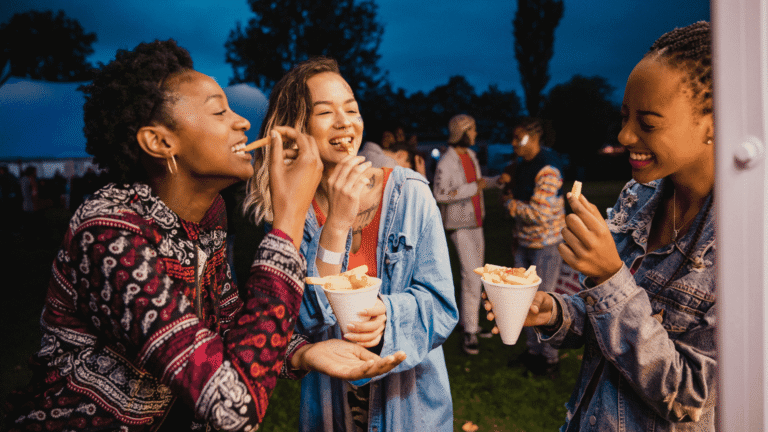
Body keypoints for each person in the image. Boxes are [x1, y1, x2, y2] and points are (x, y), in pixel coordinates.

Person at [5, 40, 404, 432]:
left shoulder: (209, 216)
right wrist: (288, 223)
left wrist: (304, 353)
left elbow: (228, 326)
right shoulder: (109, 234)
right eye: (219, 112)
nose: (243, 122)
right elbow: (233, 405)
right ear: (160, 142)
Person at [493, 21, 716, 430]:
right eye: (625, 116)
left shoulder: (746, 240)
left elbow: (691, 396)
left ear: (714, 123)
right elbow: (609, 320)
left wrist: (609, 274)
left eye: (647, 122)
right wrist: (555, 312)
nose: (625, 134)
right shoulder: (640, 196)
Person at [245, 57, 458, 432]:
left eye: (352, 109)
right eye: (325, 112)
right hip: (330, 409)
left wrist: (389, 316)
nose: (345, 122)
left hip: (409, 408)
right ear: (297, 128)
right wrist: (338, 223)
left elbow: (441, 305)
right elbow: (305, 321)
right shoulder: (292, 214)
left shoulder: (409, 193)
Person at [499, 117, 566, 375]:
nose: (514, 143)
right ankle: (532, 352)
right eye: (513, 138)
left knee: (545, 301)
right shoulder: (521, 165)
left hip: (545, 245)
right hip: (524, 243)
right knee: (522, 299)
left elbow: (539, 213)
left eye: (519, 138)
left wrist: (508, 204)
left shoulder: (548, 169)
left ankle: (550, 359)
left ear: (534, 136)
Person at [432, 114, 500, 355]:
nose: (475, 134)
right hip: (459, 225)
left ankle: (469, 323)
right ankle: (470, 333)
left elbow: (478, 182)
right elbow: (439, 194)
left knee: (476, 277)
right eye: (472, 130)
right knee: (471, 278)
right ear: (461, 131)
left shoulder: (470, 156)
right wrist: (474, 188)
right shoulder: (446, 161)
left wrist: (496, 182)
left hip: (476, 223)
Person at [359, 140, 427, 178]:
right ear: (402, 154)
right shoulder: (389, 167)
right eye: (405, 168)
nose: (403, 172)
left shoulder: (363, 152)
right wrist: (422, 175)